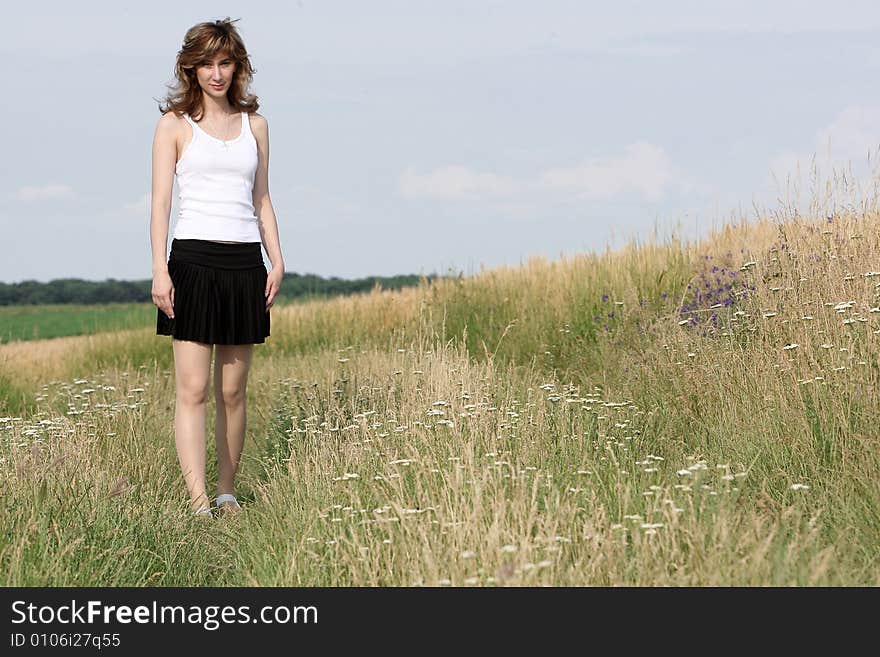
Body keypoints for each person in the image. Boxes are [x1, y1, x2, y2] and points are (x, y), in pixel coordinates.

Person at [150, 17, 285, 519]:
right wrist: (160, 270)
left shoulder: (257, 126)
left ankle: (227, 491)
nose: (216, 73)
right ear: (191, 67)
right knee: (194, 389)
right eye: (206, 63)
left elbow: (262, 197)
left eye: (224, 62)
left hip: (244, 263)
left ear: (238, 66)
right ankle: (197, 500)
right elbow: (160, 203)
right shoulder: (173, 126)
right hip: (191, 263)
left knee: (233, 390)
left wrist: (277, 257)